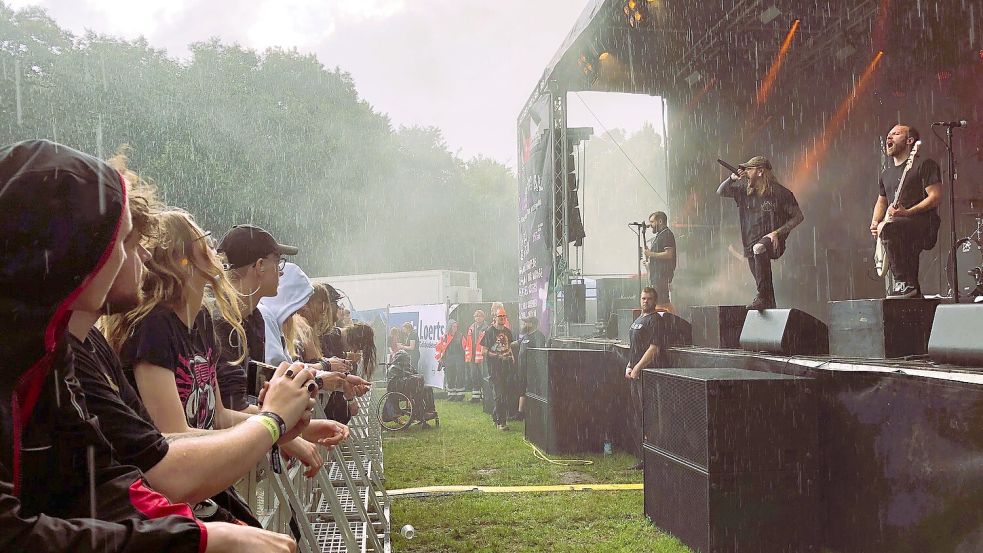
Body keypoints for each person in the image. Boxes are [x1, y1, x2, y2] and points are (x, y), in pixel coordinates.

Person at [0, 138, 295, 551]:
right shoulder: (127, 335)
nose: (134, 258)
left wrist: (200, 531)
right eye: (123, 242)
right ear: (74, 249)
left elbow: (115, 475)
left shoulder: (60, 351)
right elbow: (161, 466)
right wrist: (270, 423)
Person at [77, 153, 328, 524]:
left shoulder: (201, 326)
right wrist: (272, 425)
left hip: (195, 489)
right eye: (204, 242)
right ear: (183, 260)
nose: (216, 250)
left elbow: (219, 417)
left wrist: (283, 426)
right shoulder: (155, 327)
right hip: (177, 500)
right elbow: (170, 438)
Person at [717, 156, 804, 310]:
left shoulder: (779, 193)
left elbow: (798, 217)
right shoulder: (745, 192)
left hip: (771, 241)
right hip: (749, 243)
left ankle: (764, 299)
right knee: (762, 284)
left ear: (760, 171)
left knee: (759, 248)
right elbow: (721, 191)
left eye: (749, 169)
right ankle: (769, 304)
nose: (745, 172)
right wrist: (732, 178)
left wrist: (776, 232)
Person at [870, 124, 942, 298]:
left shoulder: (924, 164)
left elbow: (935, 196)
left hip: (924, 223)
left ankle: (903, 283)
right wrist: (875, 221)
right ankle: (912, 292)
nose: (889, 137)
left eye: (895, 134)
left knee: (891, 229)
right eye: (888, 134)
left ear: (910, 141)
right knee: (894, 234)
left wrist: (908, 212)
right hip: (899, 226)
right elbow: (882, 200)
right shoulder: (886, 174)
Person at [624, 287, 666, 470]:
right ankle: (642, 458)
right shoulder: (638, 320)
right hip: (635, 374)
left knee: (648, 417)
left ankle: (652, 459)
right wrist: (629, 366)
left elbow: (654, 348)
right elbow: (634, 347)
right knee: (638, 416)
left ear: (654, 301)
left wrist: (639, 368)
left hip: (648, 375)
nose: (645, 301)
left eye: (649, 299)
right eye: (643, 298)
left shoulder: (656, 320)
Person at [480, 309, 516, 430]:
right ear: (495, 317)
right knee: (499, 395)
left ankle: (496, 416)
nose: (502, 318)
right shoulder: (489, 331)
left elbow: (509, 347)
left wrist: (512, 358)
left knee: (505, 395)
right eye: (499, 316)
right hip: (494, 368)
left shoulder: (508, 332)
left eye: (503, 316)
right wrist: (497, 356)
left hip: (507, 368)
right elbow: (483, 350)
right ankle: (502, 423)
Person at [643, 211, 677, 313]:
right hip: (657, 275)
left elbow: (669, 254)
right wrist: (649, 266)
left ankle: (672, 322)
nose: (650, 225)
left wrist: (650, 254)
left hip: (662, 275)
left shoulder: (667, 234)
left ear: (660, 221)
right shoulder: (660, 235)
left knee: (662, 302)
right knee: (659, 302)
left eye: (652, 222)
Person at [514, 315, 546, 421]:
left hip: (532, 370)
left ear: (531, 324)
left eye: (526, 322)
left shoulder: (539, 336)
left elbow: (540, 354)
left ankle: (533, 413)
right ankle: (520, 413)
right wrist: (506, 344)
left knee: (532, 391)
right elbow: (517, 343)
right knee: (521, 390)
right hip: (522, 369)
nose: (524, 325)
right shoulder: (525, 336)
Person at [435, 319, 466, 401]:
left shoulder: (461, 336)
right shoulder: (444, 337)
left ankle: (460, 395)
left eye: (456, 326)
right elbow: (438, 348)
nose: (455, 328)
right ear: (450, 327)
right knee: (450, 377)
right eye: (453, 326)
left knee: (460, 376)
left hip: (459, 358)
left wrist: (466, 358)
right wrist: (439, 358)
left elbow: (465, 347)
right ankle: (451, 394)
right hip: (448, 359)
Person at [462, 309, 488, 403]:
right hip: (472, 357)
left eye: (479, 316)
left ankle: (486, 396)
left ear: (483, 317)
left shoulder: (487, 328)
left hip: (482, 357)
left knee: (484, 376)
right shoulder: (471, 328)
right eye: (476, 316)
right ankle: (475, 396)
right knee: (474, 376)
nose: (477, 318)